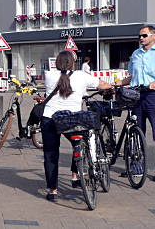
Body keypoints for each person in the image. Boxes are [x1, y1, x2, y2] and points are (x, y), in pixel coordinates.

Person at [41, 51, 112, 202]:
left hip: (50, 119)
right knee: (79, 143)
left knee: (50, 155)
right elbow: (103, 84)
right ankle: (75, 174)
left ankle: (52, 190)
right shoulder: (81, 76)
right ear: (73, 63)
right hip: (72, 119)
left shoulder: (48, 75)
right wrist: (110, 87)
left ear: (56, 63)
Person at [114, 25, 155, 182]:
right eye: (140, 36)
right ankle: (136, 167)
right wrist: (118, 84)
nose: (141, 38)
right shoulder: (136, 54)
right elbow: (132, 77)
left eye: (144, 35)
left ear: (154, 36)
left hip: (154, 97)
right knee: (135, 132)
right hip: (136, 96)